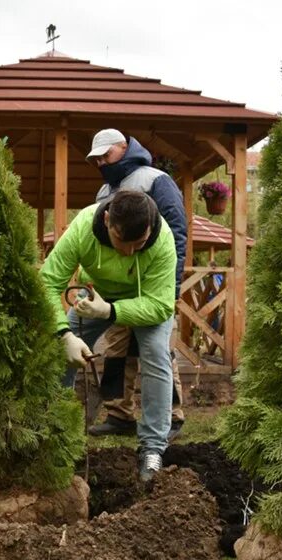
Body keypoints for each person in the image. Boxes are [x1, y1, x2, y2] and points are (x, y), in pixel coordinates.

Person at [40, 189, 177, 481]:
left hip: (145, 302)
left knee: (156, 354)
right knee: (56, 349)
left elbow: (162, 305)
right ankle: (55, 435)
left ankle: (152, 448)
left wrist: (110, 312)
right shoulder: (82, 228)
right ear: (106, 220)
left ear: (150, 229)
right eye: (121, 242)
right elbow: (48, 283)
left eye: (138, 244)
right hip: (94, 298)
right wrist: (65, 335)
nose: (129, 252)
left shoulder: (162, 240)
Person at [85, 129, 187, 439]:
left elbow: (177, 231)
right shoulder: (105, 191)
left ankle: (173, 416)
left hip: (154, 284)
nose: (102, 162)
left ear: (125, 147)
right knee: (116, 350)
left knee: (157, 351)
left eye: (107, 154)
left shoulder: (155, 180)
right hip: (118, 289)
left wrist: (173, 284)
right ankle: (120, 413)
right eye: (97, 159)